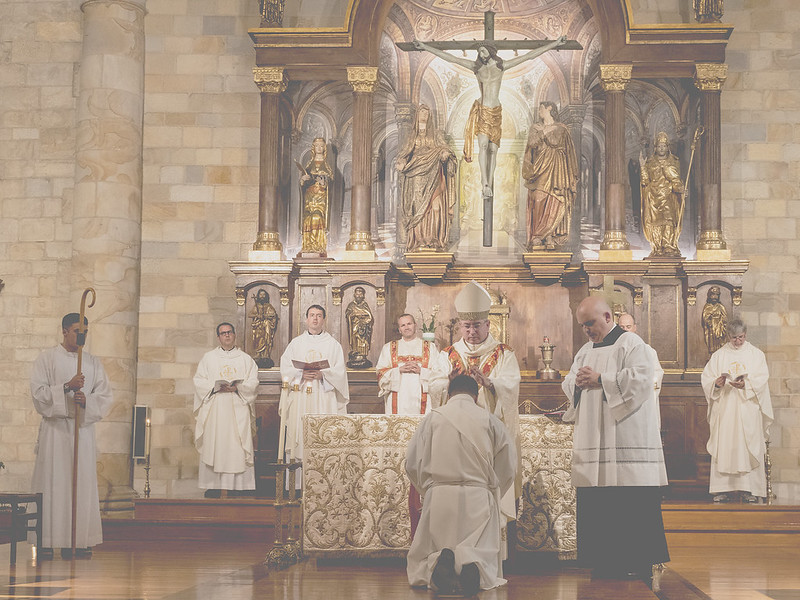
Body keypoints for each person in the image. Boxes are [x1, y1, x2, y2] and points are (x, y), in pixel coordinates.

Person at [561, 296, 669, 579]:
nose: (587, 330)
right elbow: (570, 380)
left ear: (608, 317)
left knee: (630, 501)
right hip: (594, 437)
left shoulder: (632, 345)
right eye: (583, 325)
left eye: (590, 323)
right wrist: (577, 383)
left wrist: (601, 380)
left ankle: (638, 561)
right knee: (599, 500)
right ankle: (604, 560)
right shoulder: (585, 350)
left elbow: (642, 380)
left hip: (625, 437)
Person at [412, 37, 567, 200]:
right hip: (483, 110)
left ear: (490, 50)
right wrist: (424, 46)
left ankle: (489, 182)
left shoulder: (501, 66)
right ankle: (484, 183)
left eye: (483, 50)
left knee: (493, 150)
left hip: (496, 111)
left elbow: (529, 56)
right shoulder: (476, 68)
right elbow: (451, 58)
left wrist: (555, 44)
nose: (481, 53)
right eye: (479, 52)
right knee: (483, 146)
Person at [406, 375, 516, 596]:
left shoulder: (433, 418)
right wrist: (493, 491)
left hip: (440, 495)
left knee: (437, 543)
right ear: (475, 396)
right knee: (478, 546)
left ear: (449, 394)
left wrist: (427, 489)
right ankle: (471, 565)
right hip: (478, 495)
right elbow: (508, 465)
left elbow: (412, 462)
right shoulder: (489, 419)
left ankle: (440, 563)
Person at [430, 280, 521, 546]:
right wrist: (449, 382)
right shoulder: (447, 354)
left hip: (490, 438)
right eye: (466, 326)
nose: (471, 332)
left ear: (488, 325)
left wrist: (491, 384)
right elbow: (433, 386)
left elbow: (512, 385)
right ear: (460, 326)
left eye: (476, 326)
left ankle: (496, 547)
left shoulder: (503, 354)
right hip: (457, 438)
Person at [30, 313, 114, 558]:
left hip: (81, 429)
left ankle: (76, 541)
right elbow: (37, 393)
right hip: (55, 432)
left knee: (80, 482)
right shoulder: (46, 359)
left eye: (85, 331)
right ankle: (47, 540)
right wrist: (66, 387)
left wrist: (86, 400)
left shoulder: (92, 362)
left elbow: (106, 395)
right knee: (52, 482)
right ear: (64, 331)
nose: (82, 335)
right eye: (77, 330)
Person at [701, 319, 773, 503]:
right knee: (725, 445)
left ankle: (749, 489)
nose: (738, 341)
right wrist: (716, 385)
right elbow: (707, 379)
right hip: (725, 410)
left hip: (748, 410)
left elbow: (762, 379)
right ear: (728, 336)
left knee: (748, 447)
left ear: (745, 334)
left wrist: (746, 384)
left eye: (740, 337)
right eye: (734, 338)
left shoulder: (756, 355)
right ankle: (722, 489)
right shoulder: (718, 356)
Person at [278, 305, 349, 487]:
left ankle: (325, 485)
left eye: (318, 316)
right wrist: (301, 374)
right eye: (312, 315)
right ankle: (298, 485)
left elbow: (340, 372)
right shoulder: (296, 343)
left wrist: (323, 375)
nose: (315, 319)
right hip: (301, 395)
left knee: (324, 436)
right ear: (306, 319)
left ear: (324, 319)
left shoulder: (333, 345)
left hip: (324, 398)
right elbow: (285, 368)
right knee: (300, 435)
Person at [193, 322, 260, 497]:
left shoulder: (245, 359)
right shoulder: (209, 358)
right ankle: (214, 487)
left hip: (237, 408)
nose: (227, 336)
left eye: (229, 332)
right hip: (216, 409)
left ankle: (238, 489)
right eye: (223, 333)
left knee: (236, 445)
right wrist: (214, 387)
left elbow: (253, 382)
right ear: (218, 337)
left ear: (234, 335)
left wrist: (238, 387)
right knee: (216, 443)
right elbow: (199, 381)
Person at [396, 103, 457, 252]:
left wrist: (445, 154)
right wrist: (402, 162)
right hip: (416, 176)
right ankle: (419, 240)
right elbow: (404, 154)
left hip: (433, 173)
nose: (425, 114)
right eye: (422, 111)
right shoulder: (412, 136)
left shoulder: (435, 134)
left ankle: (434, 238)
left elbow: (445, 148)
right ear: (417, 114)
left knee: (436, 207)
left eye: (427, 112)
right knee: (418, 208)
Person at [523, 100, 579, 249]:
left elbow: (569, 151)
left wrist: (571, 173)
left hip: (558, 167)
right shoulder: (536, 128)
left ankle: (549, 235)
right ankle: (538, 234)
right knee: (539, 198)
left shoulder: (562, 128)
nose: (539, 111)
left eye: (541, 108)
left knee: (555, 198)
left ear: (549, 108)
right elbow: (532, 143)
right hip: (540, 167)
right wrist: (544, 131)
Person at [639, 131, 684, 257]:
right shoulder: (650, 162)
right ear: (655, 148)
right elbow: (645, 181)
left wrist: (680, 189)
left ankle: (668, 246)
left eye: (664, 146)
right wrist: (643, 167)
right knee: (655, 222)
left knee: (669, 219)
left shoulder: (674, 161)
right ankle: (657, 247)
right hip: (653, 196)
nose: (661, 148)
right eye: (659, 146)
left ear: (667, 147)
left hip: (668, 195)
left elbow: (676, 179)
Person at [618, 312, 664, 430]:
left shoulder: (648, 350)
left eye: (628, 327)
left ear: (634, 328)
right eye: (622, 327)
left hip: (643, 400)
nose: (625, 330)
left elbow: (658, 373)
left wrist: (642, 385)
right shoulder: (613, 351)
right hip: (620, 402)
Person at [298, 137, 333, 256]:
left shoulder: (327, 164)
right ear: (313, 147)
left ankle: (318, 245)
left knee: (317, 218)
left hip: (321, 198)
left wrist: (324, 182)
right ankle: (307, 246)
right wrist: (303, 180)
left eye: (321, 145)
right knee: (307, 219)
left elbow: (332, 180)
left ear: (324, 148)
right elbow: (304, 178)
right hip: (309, 197)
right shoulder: (309, 163)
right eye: (317, 145)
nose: (319, 147)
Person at [345, 286, 374, 369]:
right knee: (354, 339)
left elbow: (369, 316)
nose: (359, 296)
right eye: (357, 295)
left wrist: (362, 318)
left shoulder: (364, 305)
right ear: (354, 295)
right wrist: (353, 315)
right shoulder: (351, 305)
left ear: (363, 296)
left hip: (363, 327)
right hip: (354, 326)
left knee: (363, 341)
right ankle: (355, 352)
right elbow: (348, 314)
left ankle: (362, 355)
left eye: (360, 295)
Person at [250, 288, 278, 369]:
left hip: (266, 327)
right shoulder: (256, 306)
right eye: (260, 295)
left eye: (263, 295)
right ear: (258, 296)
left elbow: (273, 315)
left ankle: (265, 354)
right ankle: (258, 354)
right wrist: (257, 315)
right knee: (258, 339)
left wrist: (266, 316)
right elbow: (250, 314)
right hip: (258, 327)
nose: (262, 296)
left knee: (266, 340)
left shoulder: (268, 306)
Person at [702, 285, 728, 355]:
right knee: (712, 345)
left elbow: (725, 319)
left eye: (717, 295)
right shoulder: (707, 306)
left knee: (719, 344)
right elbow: (705, 318)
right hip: (711, 329)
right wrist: (710, 321)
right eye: (713, 294)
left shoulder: (720, 307)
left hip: (719, 329)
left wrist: (721, 324)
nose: (715, 297)